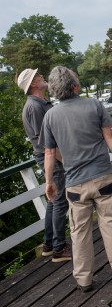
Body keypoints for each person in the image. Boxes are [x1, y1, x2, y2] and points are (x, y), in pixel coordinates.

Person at [40, 66, 112, 293]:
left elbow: (48, 153)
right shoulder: (94, 105)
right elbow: (109, 137)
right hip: (102, 177)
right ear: (75, 86)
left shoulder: (50, 116)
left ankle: (84, 280)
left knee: (79, 232)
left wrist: (49, 182)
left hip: (74, 185)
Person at [17, 68, 71, 263]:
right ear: (33, 85)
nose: (42, 77)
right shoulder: (34, 107)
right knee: (59, 201)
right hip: (51, 158)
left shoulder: (38, 104)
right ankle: (59, 248)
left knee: (53, 200)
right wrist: (65, 159)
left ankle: (49, 244)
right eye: (38, 77)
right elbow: (46, 142)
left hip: (50, 157)